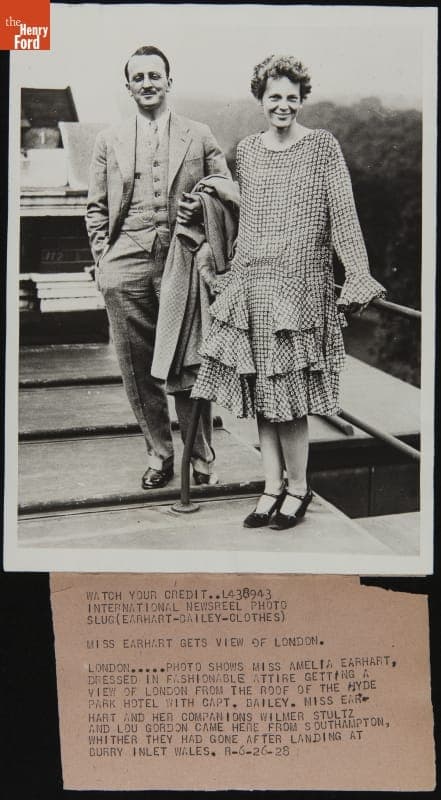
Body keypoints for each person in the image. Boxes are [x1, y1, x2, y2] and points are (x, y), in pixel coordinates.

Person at [192, 54, 385, 529]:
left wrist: (357, 272)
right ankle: (270, 485)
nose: (283, 105)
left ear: (302, 100)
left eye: (291, 98)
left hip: (299, 289)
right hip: (255, 284)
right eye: (274, 97)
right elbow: (252, 220)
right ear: (261, 99)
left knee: (289, 395)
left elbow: (342, 213)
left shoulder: (322, 147)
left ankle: (298, 487)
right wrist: (232, 274)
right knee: (261, 392)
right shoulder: (250, 150)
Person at [86, 45, 231, 490]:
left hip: (182, 260)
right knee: (137, 365)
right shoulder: (108, 140)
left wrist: (204, 208)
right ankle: (159, 454)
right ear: (128, 86)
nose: (147, 82)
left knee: (188, 363)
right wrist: (103, 260)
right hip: (124, 264)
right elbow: (95, 208)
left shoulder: (199, 134)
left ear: (170, 81)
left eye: (155, 75)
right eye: (139, 77)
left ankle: (199, 457)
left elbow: (228, 191)